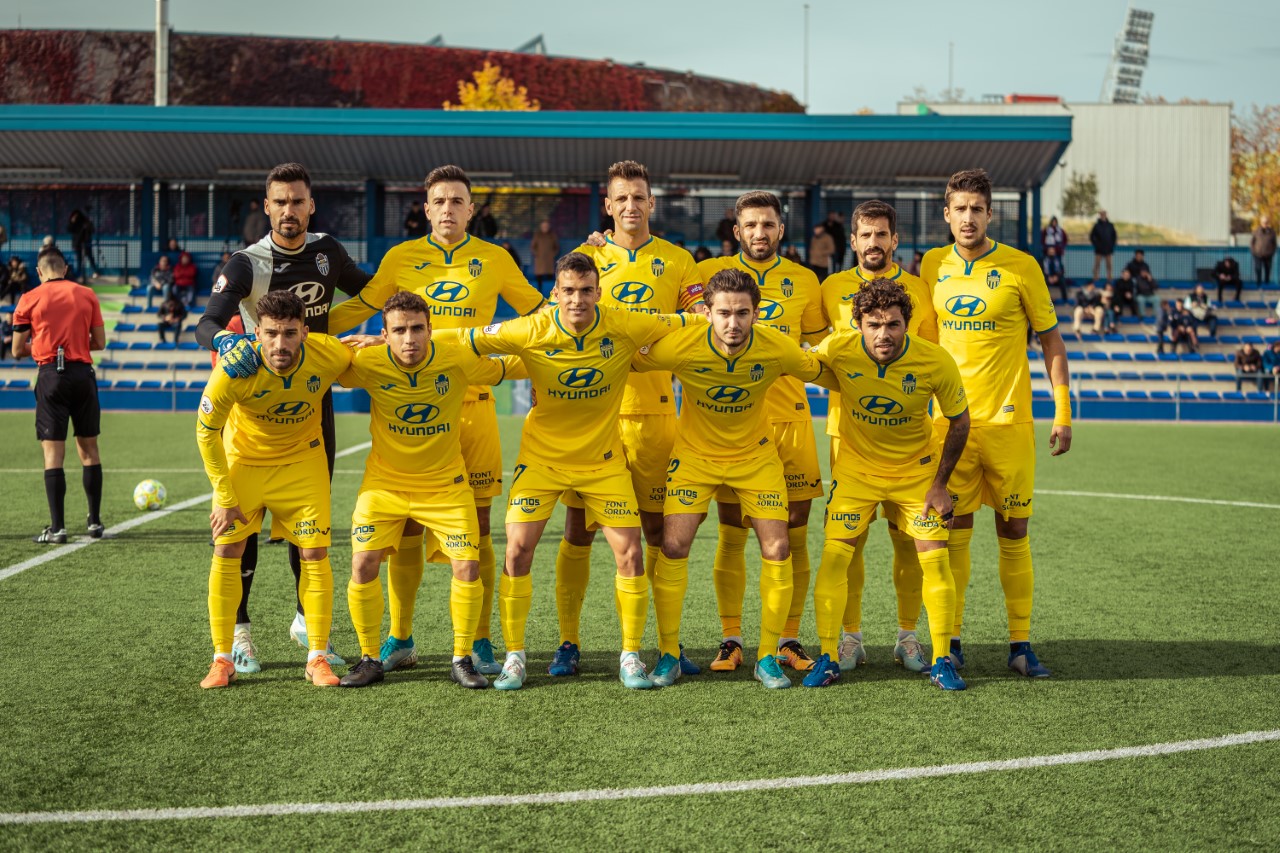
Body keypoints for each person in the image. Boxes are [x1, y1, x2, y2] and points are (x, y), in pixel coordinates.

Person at [327, 164, 546, 676]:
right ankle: (400, 637)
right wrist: (296, 326)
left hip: (475, 406)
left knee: (480, 530)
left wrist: (541, 363)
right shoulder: (400, 258)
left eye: (457, 201)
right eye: (439, 202)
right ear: (426, 210)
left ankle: (480, 640)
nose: (448, 209)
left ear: (472, 210)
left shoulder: (495, 259)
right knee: (403, 524)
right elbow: (360, 306)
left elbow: (539, 312)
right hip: (412, 404)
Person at [463, 251, 696, 690]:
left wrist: (721, 321)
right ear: (555, 293)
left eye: (586, 290)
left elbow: (681, 321)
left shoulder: (623, 324)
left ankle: (630, 655)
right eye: (568, 291)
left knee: (631, 553)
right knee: (517, 551)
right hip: (541, 461)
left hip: (602, 464)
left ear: (598, 293)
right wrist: (396, 343)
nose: (577, 300)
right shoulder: (532, 328)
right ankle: (515, 656)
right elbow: (467, 338)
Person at [197, 162, 377, 674]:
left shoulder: (328, 252)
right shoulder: (246, 263)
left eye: (297, 201)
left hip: (313, 395)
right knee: (241, 529)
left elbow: (370, 291)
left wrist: (378, 331)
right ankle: (240, 633)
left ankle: (306, 621)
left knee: (310, 522)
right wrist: (227, 341)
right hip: (255, 399)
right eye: (280, 202)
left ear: (311, 205)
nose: (289, 210)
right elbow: (207, 322)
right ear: (267, 206)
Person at [632, 268, 830, 689]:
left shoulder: (776, 347)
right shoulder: (682, 345)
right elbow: (625, 356)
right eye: (723, 313)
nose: (733, 323)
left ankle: (767, 657)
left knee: (777, 548)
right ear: (707, 313)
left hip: (755, 459)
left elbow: (822, 369)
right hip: (694, 458)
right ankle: (668, 654)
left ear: (757, 313)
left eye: (742, 313)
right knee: (673, 546)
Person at [551, 161, 705, 678]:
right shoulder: (589, 258)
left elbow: (699, 320)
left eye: (639, 197)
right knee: (578, 531)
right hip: (593, 416)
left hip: (656, 415)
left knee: (656, 531)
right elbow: (558, 316)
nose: (631, 206)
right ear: (608, 206)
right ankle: (568, 642)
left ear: (651, 203)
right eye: (622, 198)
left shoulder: (678, 260)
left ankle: (665, 645)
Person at [921, 168, 1071, 678]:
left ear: (991, 214)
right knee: (954, 529)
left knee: (1014, 529)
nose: (968, 218)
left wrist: (1063, 411)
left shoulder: (1022, 266)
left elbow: (1051, 340)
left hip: (1009, 424)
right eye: (960, 209)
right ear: (947, 213)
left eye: (977, 209)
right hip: (950, 426)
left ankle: (1020, 645)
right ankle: (952, 641)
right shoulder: (932, 265)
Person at [335, 292, 513, 689]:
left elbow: (509, 364)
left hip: (446, 486)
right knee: (362, 564)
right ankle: (369, 658)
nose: (409, 338)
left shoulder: (456, 358)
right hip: (384, 485)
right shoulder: (367, 362)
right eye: (399, 330)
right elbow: (317, 361)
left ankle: (462, 658)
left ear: (431, 330)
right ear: (384, 335)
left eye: (417, 328)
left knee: (467, 566)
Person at [809, 279, 971, 690]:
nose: (884, 334)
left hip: (916, 473)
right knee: (834, 557)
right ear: (858, 325)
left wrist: (940, 484)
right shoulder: (837, 348)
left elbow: (960, 421)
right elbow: (797, 362)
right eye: (874, 325)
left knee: (933, 558)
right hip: (856, 472)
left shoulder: (935, 360)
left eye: (893, 324)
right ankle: (831, 654)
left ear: (907, 324)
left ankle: (938, 657)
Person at [194, 290, 354, 689]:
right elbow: (206, 432)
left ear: (305, 332)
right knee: (227, 549)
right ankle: (222, 658)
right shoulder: (235, 367)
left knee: (314, 553)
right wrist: (224, 497)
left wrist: (373, 343)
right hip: (245, 464)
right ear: (257, 333)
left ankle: (317, 656)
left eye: (289, 333)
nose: (280, 344)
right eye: (270, 334)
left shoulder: (328, 353)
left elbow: (368, 364)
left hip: (302, 463)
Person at [696, 192, 828, 673]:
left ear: (781, 229)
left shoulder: (805, 280)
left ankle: (788, 638)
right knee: (732, 532)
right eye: (750, 225)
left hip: (790, 422)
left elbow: (820, 346)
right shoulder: (708, 275)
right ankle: (731, 639)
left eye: (768, 224)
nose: (759, 233)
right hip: (731, 425)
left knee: (794, 533)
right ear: (737, 230)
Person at [819, 199, 940, 674]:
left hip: (909, 439)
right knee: (849, 541)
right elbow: (818, 354)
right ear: (853, 241)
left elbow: (929, 359)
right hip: (847, 435)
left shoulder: (919, 290)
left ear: (895, 240)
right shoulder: (830, 288)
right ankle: (850, 638)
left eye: (882, 234)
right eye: (865, 235)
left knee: (908, 540)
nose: (874, 242)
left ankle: (908, 636)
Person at [11, 247, 107, 544]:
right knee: (89, 450)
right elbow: (99, 342)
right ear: (65, 269)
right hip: (83, 376)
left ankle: (58, 528)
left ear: (39, 271)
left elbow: (17, 350)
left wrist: (44, 346)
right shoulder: (87, 294)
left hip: (51, 375)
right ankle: (94, 523)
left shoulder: (28, 299)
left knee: (53, 454)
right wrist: (74, 342)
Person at [530, 219, 559, 296]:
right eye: (543, 226)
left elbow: (556, 247)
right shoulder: (537, 235)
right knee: (539, 275)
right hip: (539, 259)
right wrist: (536, 254)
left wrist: (553, 254)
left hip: (549, 259)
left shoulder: (552, 235)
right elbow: (533, 246)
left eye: (546, 226)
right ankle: (539, 292)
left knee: (550, 276)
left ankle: (550, 293)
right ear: (541, 226)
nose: (545, 227)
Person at [68, 209, 100, 280]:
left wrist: (87, 226)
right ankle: (78, 274)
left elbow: (91, 230)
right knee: (79, 259)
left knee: (90, 257)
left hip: (86, 243)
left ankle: (95, 272)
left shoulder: (85, 221)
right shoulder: (74, 223)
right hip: (78, 243)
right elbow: (69, 229)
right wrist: (72, 222)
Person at [1089, 210, 1117, 283]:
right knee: (1097, 264)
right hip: (1099, 249)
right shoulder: (1096, 226)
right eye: (1101, 214)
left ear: (1106, 215)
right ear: (1100, 215)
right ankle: (1095, 278)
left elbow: (1114, 236)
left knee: (1109, 265)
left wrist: (1112, 245)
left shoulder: (1110, 225)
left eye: (1104, 214)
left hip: (1108, 249)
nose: (1103, 216)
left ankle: (1109, 278)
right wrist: (1096, 244)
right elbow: (1091, 236)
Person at [1251, 215, 1275, 287]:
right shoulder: (1256, 231)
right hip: (1258, 254)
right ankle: (1258, 283)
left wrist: (1272, 252)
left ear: (1268, 223)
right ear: (1261, 223)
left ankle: (1267, 283)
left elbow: (1274, 243)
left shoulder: (1272, 232)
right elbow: (1252, 242)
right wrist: (1254, 251)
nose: (1265, 224)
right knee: (1258, 268)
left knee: (1268, 269)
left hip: (1268, 254)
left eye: (1266, 222)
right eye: (1264, 222)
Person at [1041, 215, 1067, 279]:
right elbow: (1042, 240)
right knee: (1046, 265)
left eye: (1055, 222)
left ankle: (1056, 278)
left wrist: (1059, 249)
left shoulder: (1060, 231)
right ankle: (1048, 279)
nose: (1054, 223)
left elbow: (1064, 240)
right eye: (1053, 221)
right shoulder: (1046, 230)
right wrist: (1047, 249)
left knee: (1058, 266)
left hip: (1058, 253)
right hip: (1047, 252)